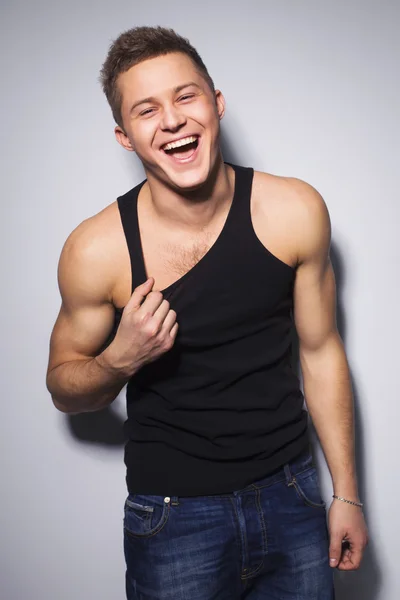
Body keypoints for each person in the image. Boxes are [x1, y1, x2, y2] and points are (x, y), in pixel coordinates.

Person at [46, 25, 368, 600]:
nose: (171, 120)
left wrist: (345, 494)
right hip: (173, 518)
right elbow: (65, 389)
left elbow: (322, 354)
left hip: (292, 497)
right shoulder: (97, 251)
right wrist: (119, 359)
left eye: (185, 96)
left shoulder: (293, 210)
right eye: (146, 110)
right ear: (124, 137)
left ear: (216, 104)